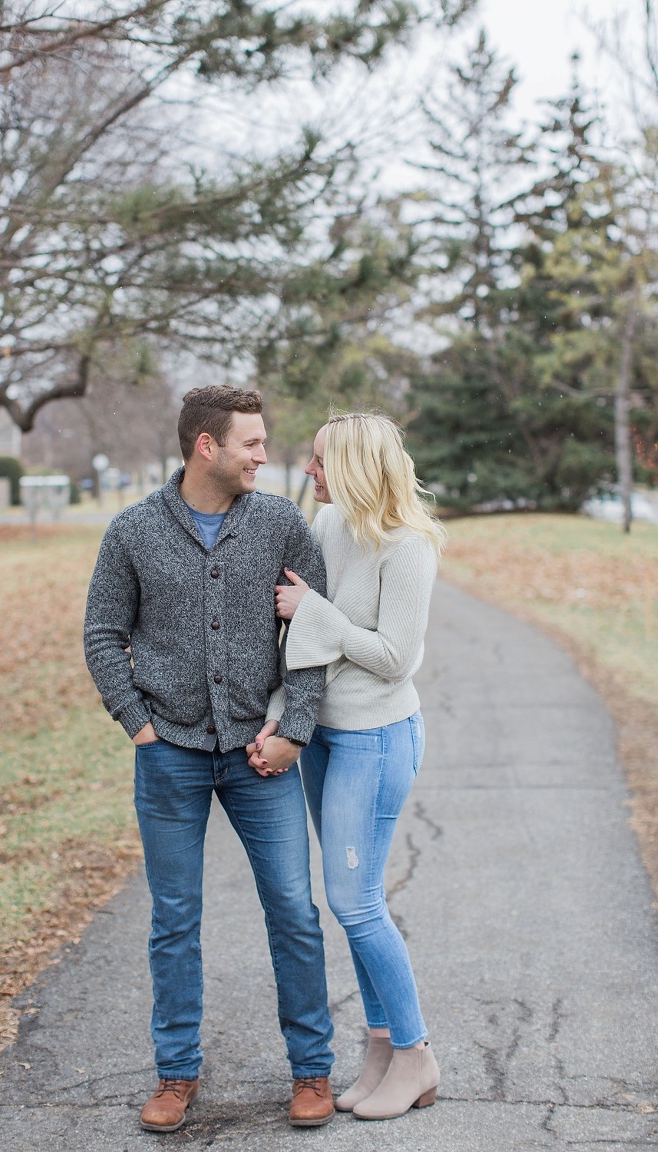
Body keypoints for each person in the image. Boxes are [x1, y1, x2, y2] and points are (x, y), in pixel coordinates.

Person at [84, 386, 335, 1133]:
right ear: (207, 447)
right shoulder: (132, 532)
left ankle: (313, 1071)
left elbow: (312, 634)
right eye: (251, 444)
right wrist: (137, 724)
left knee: (292, 908)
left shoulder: (282, 523)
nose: (263, 455)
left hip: (262, 756)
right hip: (171, 755)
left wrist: (295, 726)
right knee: (174, 917)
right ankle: (175, 1074)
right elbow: (102, 634)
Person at [249, 411, 445, 1122]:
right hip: (323, 737)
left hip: (378, 737)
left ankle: (417, 1053)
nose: (309, 470)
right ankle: (382, 1050)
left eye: (322, 460)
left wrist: (315, 610)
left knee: (356, 903)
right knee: (355, 902)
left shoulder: (409, 546)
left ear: (358, 466)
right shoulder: (328, 528)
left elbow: (394, 657)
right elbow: (300, 641)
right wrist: (280, 712)